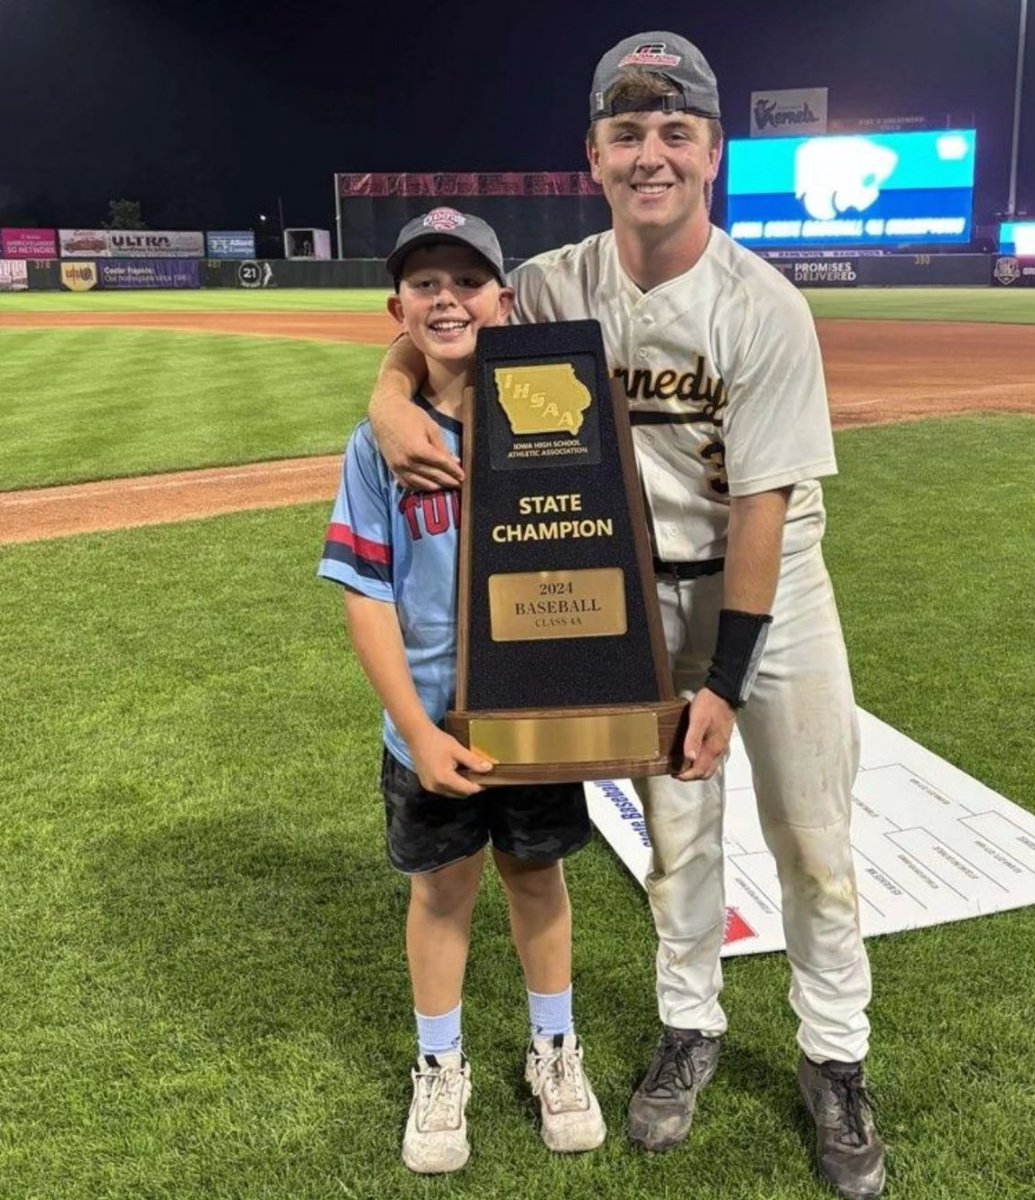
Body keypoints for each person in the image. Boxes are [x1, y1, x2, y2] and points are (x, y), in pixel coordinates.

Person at [367, 34, 885, 1200]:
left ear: (712, 152)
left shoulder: (765, 307)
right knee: (678, 849)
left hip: (771, 595)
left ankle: (835, 1057)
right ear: (593, 155)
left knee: (813, 844)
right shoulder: (553, 284)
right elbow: (439, 324)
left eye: (676, 132)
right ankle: (688, 1031)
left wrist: (725, 680)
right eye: (627, 134)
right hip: (636, 602)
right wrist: (390, 392)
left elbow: (761, 510)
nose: (651, 155)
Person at [318, 209, 606, 1175]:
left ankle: (554, 1050)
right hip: (430, 725)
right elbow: (366, 598)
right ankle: (439, 1067)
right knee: (441, 892)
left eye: (469, 280)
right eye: (427, 284)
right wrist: (414, 729)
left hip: (536, 714)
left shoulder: (550, 413)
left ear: (504, 300)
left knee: (537, 876)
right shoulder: (379, 449)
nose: (448, 298)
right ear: (396, 308)